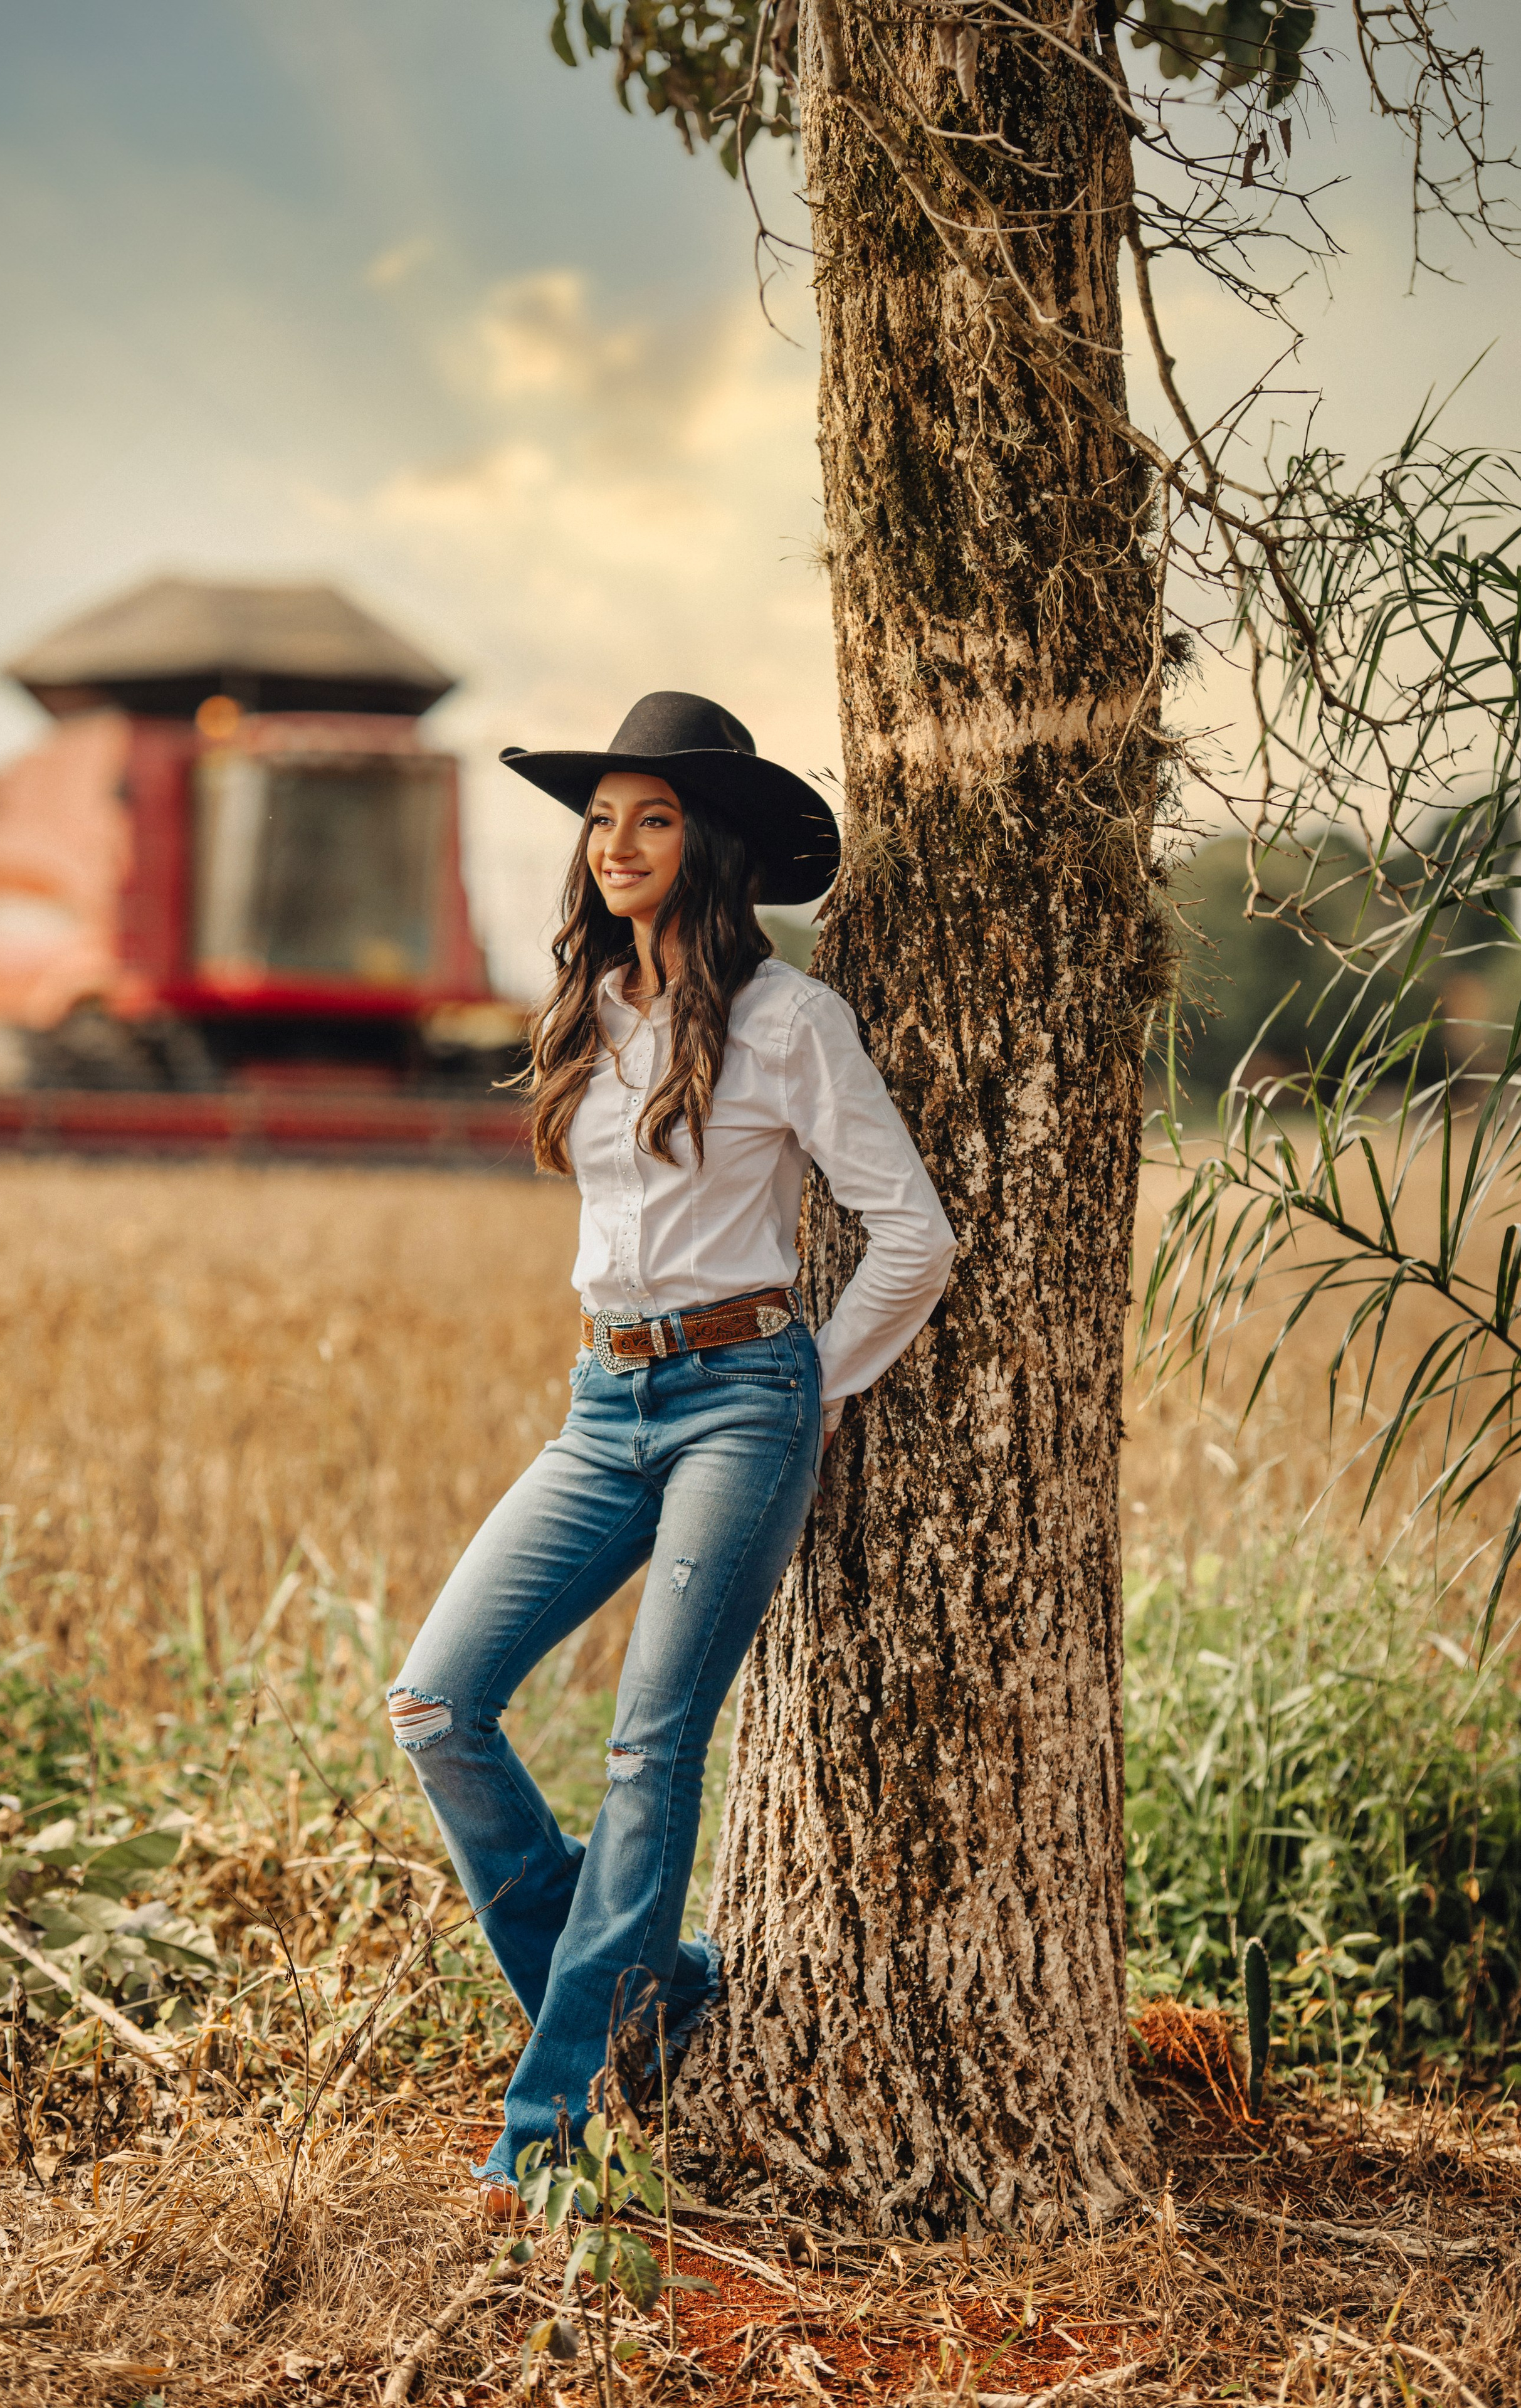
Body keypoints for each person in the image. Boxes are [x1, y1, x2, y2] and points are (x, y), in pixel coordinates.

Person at [387, 691, 955, 2199]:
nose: (617, 843)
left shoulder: (790, 1022)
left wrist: (807, 1388)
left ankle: (547, 2136)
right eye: (599, 818)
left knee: (648, 1749)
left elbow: (912, 1236)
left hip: (737, 1402)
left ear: (705, 845)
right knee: (439, 1702)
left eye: (650, 817)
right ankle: (645, 1993)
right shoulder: (585, 1010)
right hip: (601, 1403)